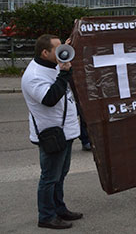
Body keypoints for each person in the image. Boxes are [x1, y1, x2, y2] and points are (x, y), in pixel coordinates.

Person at [22, 34, 83, 229]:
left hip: (65, 132)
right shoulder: (33, 76)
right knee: (49, 178)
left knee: (60, 175)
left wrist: (65, 48)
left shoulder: (51, 64)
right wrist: (64, 73)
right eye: (56, 50)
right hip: (51, 134)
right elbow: (49, 98)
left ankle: (59, 208)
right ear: (45, 52)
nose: (61, 54)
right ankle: (46, 216)